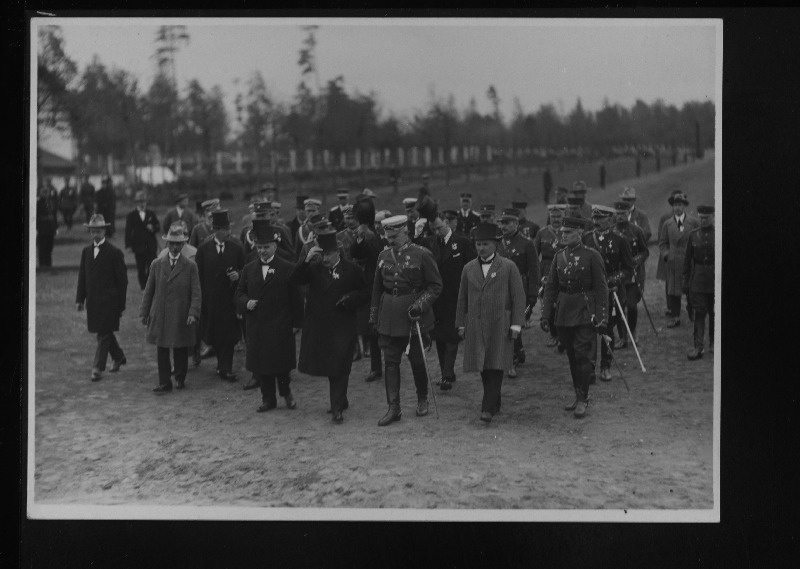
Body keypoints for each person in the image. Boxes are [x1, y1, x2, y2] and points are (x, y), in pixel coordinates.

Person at [370, 214, 442, 426]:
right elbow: (376, 288)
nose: (390, 240)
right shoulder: (383, 255)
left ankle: (422, 398)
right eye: (388, 236)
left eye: (395, 236)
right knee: (390, 363)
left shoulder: (422, 254)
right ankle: (394, 407)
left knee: (417, 362)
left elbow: (435, 286)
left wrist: (421, 305)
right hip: (389, 317)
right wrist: (374, 316)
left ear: (405, 231)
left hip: (413, 317)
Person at [290, 230, 370, 422]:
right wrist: (307, 259)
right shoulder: (314, 268)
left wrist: (351, 299)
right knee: (331, 367)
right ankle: (341, 400)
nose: (324, 258)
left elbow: (365, 291)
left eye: (327, 254)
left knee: (339, 367)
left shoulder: (351, 269)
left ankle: (336, 409)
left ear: (338, 252)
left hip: (343, 325)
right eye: (321, 254)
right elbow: (294, 279)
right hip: (320, 326)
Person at [455, 222, 526, 423]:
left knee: (496, 363)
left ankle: (487, 407)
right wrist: (461, 323)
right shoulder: (468, 268)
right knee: (483, 365)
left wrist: (516, 324)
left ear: (496, 244)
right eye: (478, 244)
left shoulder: (508, 267)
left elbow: (518, 297)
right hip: (476, 324)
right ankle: (494, 402)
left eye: (485, 244)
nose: (481, 248)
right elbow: (462, 298)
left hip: (500, 324)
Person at [541, 217, 608, 418]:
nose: (564, 235)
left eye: (568, 232)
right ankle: (578, 394)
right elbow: (551, 287)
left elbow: (601, 289)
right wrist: (545, 315)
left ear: (579, 233)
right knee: (571, 355)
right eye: (563, 232)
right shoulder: (559, 256)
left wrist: (602, 317)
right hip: (564, 312)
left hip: (585, 311)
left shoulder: (592, 256)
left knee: (582, 354)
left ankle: (583, 398)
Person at [235, 222, 304, 412]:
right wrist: (246, 302)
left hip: (280, 325)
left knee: (281, 365)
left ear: (274, 246)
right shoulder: (249, 269)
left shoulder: (287, 267)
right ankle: (268, 399)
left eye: (266, 247)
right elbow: (239, 293)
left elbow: (296, 299)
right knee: (261, 365)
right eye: (259, 248)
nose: (263, 251)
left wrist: (296, 323)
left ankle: (286, 393)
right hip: (257, 325)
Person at [139, 224, 201, 393]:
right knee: (162, 349)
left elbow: (196, 293)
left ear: (183, 245)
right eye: (171, 243)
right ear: (167, 244)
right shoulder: (157, 264)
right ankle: (164, 382)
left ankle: (180, 377)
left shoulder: (190, 266)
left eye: (178, 244)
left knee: (180, 347)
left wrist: (193, 313)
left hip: (181, 314)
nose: (174, 247)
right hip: (161, 314)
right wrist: (144, 312)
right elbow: (149, 291)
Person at [424, 215, 476, 391]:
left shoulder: (462, 242)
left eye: (439, 227)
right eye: (433, 229)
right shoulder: (429, 243)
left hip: (456, 296)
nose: (437, 232)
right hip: (437, 297)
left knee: (453, 335)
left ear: (447, 223)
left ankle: (446, 374)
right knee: (439, 335)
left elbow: (472, 268)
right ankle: (447, 371)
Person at [583, 205, 634, 381]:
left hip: (612, 291)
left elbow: (628, 269)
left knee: (607, 328)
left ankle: (605, 366)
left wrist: (613, 281)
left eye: (600, 218)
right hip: (591, 292)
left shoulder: (620, 240)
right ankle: (590, 367)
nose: (596, 222)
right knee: (589, 329)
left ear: (610, 219)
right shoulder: (586, 239)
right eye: (594, 218)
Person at [75, 214, 128, 382]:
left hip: (110, 302)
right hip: (93, 302)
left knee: (103, 335)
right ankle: (118, 356)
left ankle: (97, 367)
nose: (95, 234)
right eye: (92, 231)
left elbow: (122, 282)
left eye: (98, 230)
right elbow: (82, 277)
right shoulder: (86, 252)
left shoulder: (114, 252)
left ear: (104, 230)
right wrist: (79, 299)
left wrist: (121, 305)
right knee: (103, 331)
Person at [195, 209, 245, 382]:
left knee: (230, 337)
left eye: (228, 228)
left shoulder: (236, 248)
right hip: (211, 301)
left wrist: (238, 275)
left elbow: (245, 271)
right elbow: (198, 277)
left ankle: (226, 368)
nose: (229, 231)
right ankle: (221, 365)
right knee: (215, 336)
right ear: (216, 230)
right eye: (225, 228)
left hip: (230, 301)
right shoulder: (203, 250)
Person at [496, 208, 540, 377]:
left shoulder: (526, 243)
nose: (504, 226)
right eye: (502, 223)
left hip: (519, 287)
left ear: (516, 224)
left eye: (508, 223)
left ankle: (513, 357)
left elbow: (534, 270)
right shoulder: (497, 242)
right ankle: (516, 352)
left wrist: (533, 294)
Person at [351, 196, 384, 382]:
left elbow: (378, 255)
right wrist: (359, 237)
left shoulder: (379, 234)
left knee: (383, 330)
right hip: (369, 287)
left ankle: (388, 364)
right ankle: (376, 367)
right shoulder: (364, 233)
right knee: (371, 330)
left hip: (382, 286)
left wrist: (368, 237)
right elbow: (354, 252)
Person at [658, 192, 699, 328]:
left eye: (680, 205)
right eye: (675, 205)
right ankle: (675, 317)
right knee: (674, 291)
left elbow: (698, 239)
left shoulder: (693, 222)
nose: (677, 208)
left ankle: (692, 310)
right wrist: (666, 254)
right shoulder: (667, 224)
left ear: (684, 206)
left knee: (690, 288)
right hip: (673, 261)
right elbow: (662, 243)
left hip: (689, 261)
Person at [613, 201, 649, 347]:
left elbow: (645, 251)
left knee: (632, 306)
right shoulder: (611, 232)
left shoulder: (636, 231)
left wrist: (635, 260)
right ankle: (623, 337)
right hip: (617, 276)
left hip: (633, 275)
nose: (620, 216)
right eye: (618, 213)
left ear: (629, 213)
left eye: (623, 213)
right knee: (619, 306)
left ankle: (632, 330)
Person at [683, 205, 715, 360]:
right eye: (701, 218)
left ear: (712, 217)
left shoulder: (718, 233)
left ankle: (714, 344)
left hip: (715, 279)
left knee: (715, 313)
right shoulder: (693, 235)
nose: (703, 220)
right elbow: (687, 261)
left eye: (706, 218)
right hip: (698, 280)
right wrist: (685, 282)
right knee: (699, 312)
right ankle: (698, 347)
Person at [533, 204, 567, 347]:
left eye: (559, 216)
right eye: (553, 217)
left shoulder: (568, 232)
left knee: (563, 304)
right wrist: (539, 276)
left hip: (564, 271)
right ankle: (554, 335)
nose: (556, 219)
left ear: (564, 216)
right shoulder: (542, 233)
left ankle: (564, 336)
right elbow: (535, 256)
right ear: (549, 217)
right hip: (547, 271)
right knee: (550, 305)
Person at [125, 190, 161, 290]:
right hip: (138, 246)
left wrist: (153, 228)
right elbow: (128, 231)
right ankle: (143, 287)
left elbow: (158, 226)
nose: (142, 203)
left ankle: (151, 286)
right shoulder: (131, 215)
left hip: (150, 245)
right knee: (141, 268)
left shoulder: (151, 213)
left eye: (143, 201)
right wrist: (128, 245)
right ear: (136, 202)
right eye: (140, 201)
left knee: (152, 266)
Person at [36, 185, 58, 268]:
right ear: (40, 193)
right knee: (42, 247)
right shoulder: (38, 203)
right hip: (42, 229)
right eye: (43, 192)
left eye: (47, 192)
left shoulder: (50, 202)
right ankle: (42, 265)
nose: (45, 194)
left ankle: (48, 265)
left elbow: (54, 216)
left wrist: (55, 228)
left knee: (49, 247)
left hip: (50, 229)